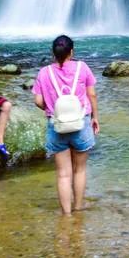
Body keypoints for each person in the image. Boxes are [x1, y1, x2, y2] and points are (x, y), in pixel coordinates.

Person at [33, 34, 99, 215]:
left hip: (57, 125)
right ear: (72, 51)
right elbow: (91, 94)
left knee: (63, 174)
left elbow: (38, 100)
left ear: (53, 54)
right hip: (81, 123)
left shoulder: (44, 73)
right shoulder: (82, 67)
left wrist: (51, 108)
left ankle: (67, 214)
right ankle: (78, 207)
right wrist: (95, 117)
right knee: (80, 170)